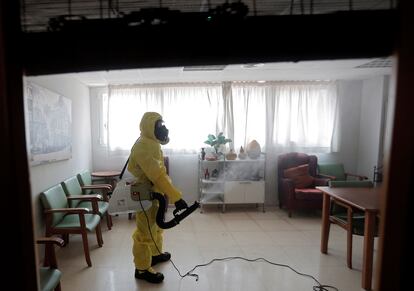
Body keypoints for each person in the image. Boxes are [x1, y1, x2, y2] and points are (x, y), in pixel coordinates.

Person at [127, 112, 188, 284]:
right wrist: (176, 197)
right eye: (160, 126)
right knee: (144, 232)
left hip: (154, 193)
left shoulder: (152, 144)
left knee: (155, 226)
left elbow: (160, 173)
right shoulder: (143, 147)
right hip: (145, 195)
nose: (164, 128)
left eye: (163, 125)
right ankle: (141, 268)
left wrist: (170, 193)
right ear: (149, 128)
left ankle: (154, 254)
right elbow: (157, 175)